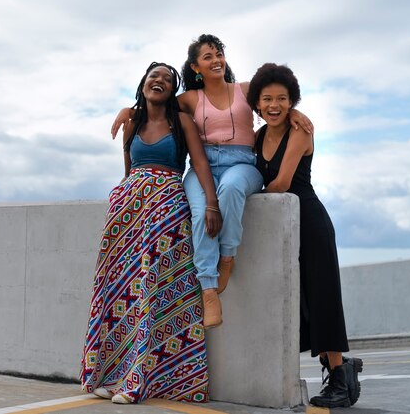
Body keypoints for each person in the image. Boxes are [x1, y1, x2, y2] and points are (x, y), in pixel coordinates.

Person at [112, 34, 313, 328]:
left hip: (242, 162)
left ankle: (227, 257)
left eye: (218, 54)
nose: (216, 60)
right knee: (199, 214)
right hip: (203, 166)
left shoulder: (245, 90)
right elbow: (158, 102)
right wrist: (128, 111)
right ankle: (208, 289)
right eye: (207, 57)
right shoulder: (191, 99)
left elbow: (273, 102)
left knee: (231, 190)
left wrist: (294, 110)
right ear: (196, 67)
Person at [81, 62, 222, 404]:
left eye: (167, 79)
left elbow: (199, 164)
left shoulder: (181, 122)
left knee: (154, 291)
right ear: (143, 83)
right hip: (127, 216)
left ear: (173, 90)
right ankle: (111, 375)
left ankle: (141, 380)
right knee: (121, 293)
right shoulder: (131, 122)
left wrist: (212, 204)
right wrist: (124, 198)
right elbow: (129, 169)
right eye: (153, 76)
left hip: (167, 211)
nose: (159, 81)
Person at [247, 62, 363, 408]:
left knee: (323, 297)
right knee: (303, 304)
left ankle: (340, 380)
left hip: (310, 221)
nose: (274, 105)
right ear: (256, 103)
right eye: (267, 98)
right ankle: (341, 368)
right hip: (282, 228)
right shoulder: (256, 136)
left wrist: (246, 196)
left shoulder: (300, 131)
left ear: (292, 101)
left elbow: (281, 183)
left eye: (282, 99)